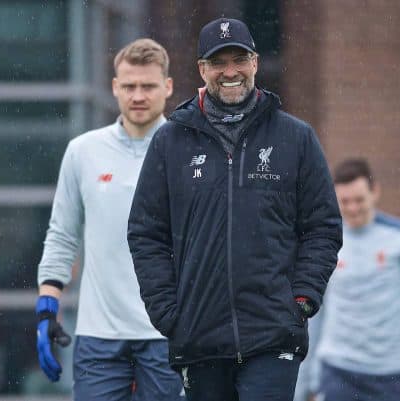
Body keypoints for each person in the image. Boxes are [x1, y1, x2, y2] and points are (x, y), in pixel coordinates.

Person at [127, 17, 342, 401]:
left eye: (239, 60)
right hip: (198, 336)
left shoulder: (295, 138)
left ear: (255, 63)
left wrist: (302, 298)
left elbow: (322, 227)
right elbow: (146, 233)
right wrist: (167, 311)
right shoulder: (170, 142)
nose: (230, 72)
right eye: (218, 62)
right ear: (202, 69)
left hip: (274, 333)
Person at [35, 38, 183, 401]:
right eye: (129, 86)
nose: (138, 95)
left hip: (168, 334)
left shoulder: (189, 152)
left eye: (147, 86)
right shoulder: (83, 152)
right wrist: (46, 307)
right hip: (99, 336)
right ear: (115, 88)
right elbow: (62, 235)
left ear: (167, 87)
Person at [306, 158, 400, 401]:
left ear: (375, 192)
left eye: (359, 200)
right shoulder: (324, 238)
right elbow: (314, 310)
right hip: (337, 370)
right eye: (345, 201)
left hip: (390, 373)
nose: (353, 208)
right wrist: (308, 378)